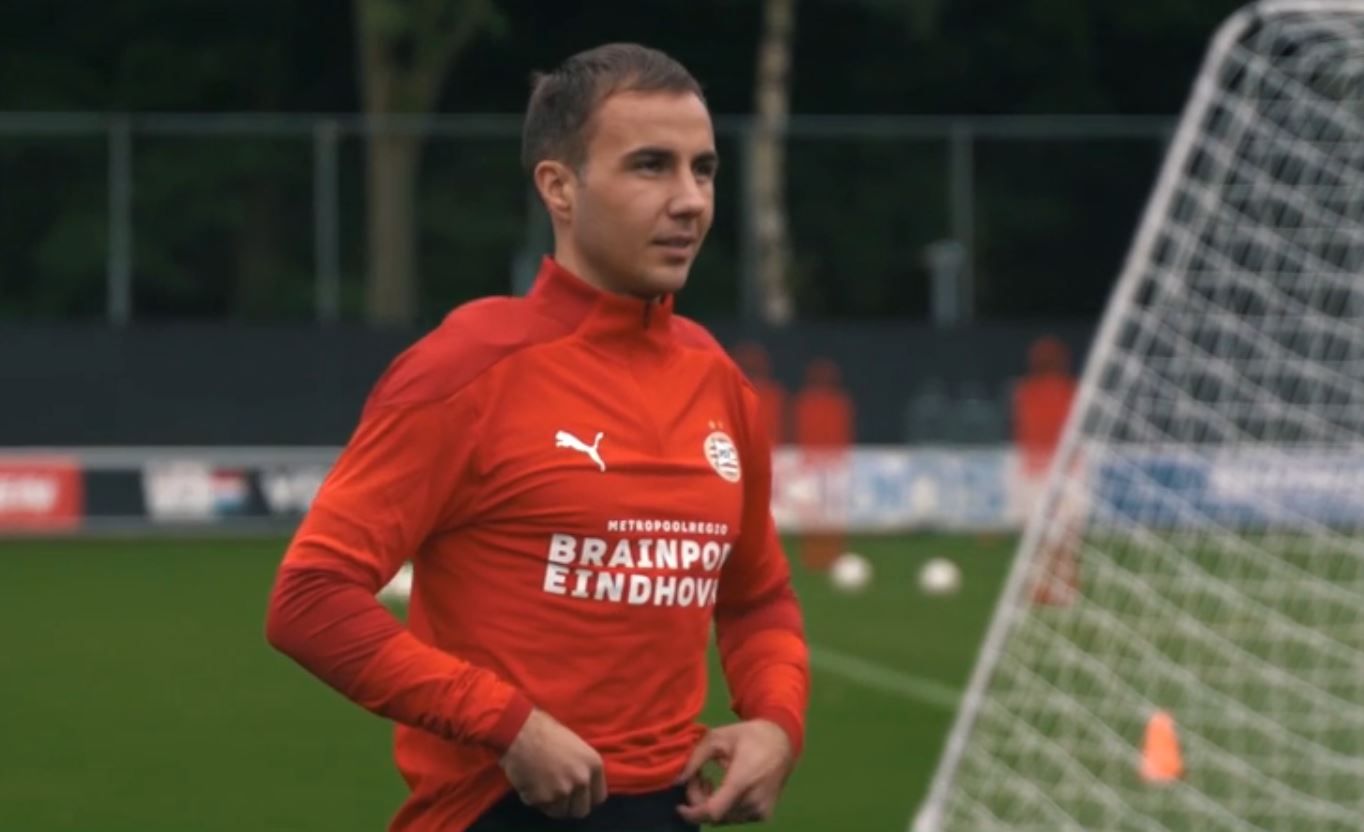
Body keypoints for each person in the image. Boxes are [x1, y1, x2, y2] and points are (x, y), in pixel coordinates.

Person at [264, 43, 809, 832]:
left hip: (676, 810)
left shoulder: (718, 380)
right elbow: (308, 601)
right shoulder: (468, 368)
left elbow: (757, 597)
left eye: (705, 169)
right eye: (651, 166)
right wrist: (507, 724)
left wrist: (777, 721)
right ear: (559, 187)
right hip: (498, 810)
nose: (690, 200)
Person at [792, 358, 855, 570]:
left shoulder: (824, 403)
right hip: (819, 465)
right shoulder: (814, 403)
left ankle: (826, 554)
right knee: (817, 510)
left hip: (830, 465)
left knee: (827, 510)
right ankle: (818, 555)